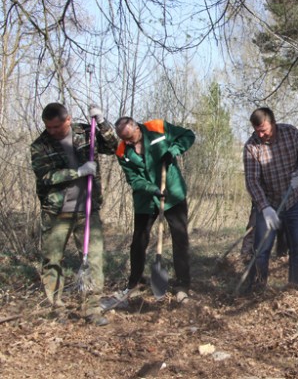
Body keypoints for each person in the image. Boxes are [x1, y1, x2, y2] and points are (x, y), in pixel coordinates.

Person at [30, 102, 118, 326]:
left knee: (94, 260)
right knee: (52, 260)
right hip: (56, 212)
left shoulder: (86, 133)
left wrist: (101, 122)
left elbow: (112, 146)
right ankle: (55, 307)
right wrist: (77, 172)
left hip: (87, 208)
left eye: (56, 127)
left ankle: (92, 309)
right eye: (48, 127)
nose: (51, 132)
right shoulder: (40, 146)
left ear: (68, 120)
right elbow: (46, 177)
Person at [114, 117, 195, 303]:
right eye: (123, 139)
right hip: (146, 199)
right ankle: (134, 283)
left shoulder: (157, 127)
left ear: (137, 128)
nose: (128, 142)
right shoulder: (121, 151)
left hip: (173, 193)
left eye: (130, 138)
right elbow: (133, 179)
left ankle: (183, 284)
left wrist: (174, 150)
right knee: (139, 241)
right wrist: (153, 190)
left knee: (180, 238)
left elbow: (188, 135)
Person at [243, 107, 298, 291]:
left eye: (264, 129)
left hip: (294, 201)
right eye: (257, 130)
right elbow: (252, 181)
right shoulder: (251, 146)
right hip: (269, 204)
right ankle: (256, 289)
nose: (261, 134)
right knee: (261, 251)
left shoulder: (290, 133)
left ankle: (297, 289)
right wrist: (265, 208)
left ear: (273, 123)